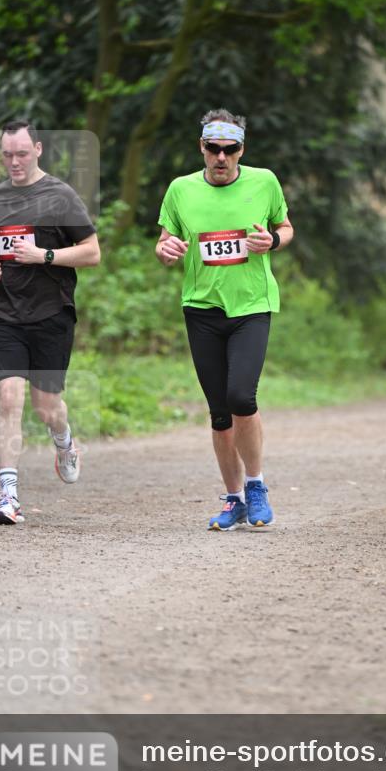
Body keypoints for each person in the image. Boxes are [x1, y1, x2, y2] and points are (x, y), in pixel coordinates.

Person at [156, 109, 293, 530]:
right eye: (213, 149)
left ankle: (256, 485)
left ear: (241, 151)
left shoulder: (264, 181)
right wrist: (166, 250)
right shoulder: (180, 190)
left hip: (252, 306)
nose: (221, 157)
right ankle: (233, 500)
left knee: (241, 398)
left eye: (229, 149)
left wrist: (272, 241)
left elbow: (285, 228)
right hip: (201, 308)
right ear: (202, 147)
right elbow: (165, 240)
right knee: (219, 412)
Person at [0, 120, 100, 524]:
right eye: (7, 155)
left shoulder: (60, 196)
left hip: (51, 313)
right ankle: (8, 497)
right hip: (5, 313)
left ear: (39, 150)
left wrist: (45, 256)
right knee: (8, 398)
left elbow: (91, 251)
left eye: (22, 154)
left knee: (46, 408)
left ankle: (64, 442)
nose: (14, 162)